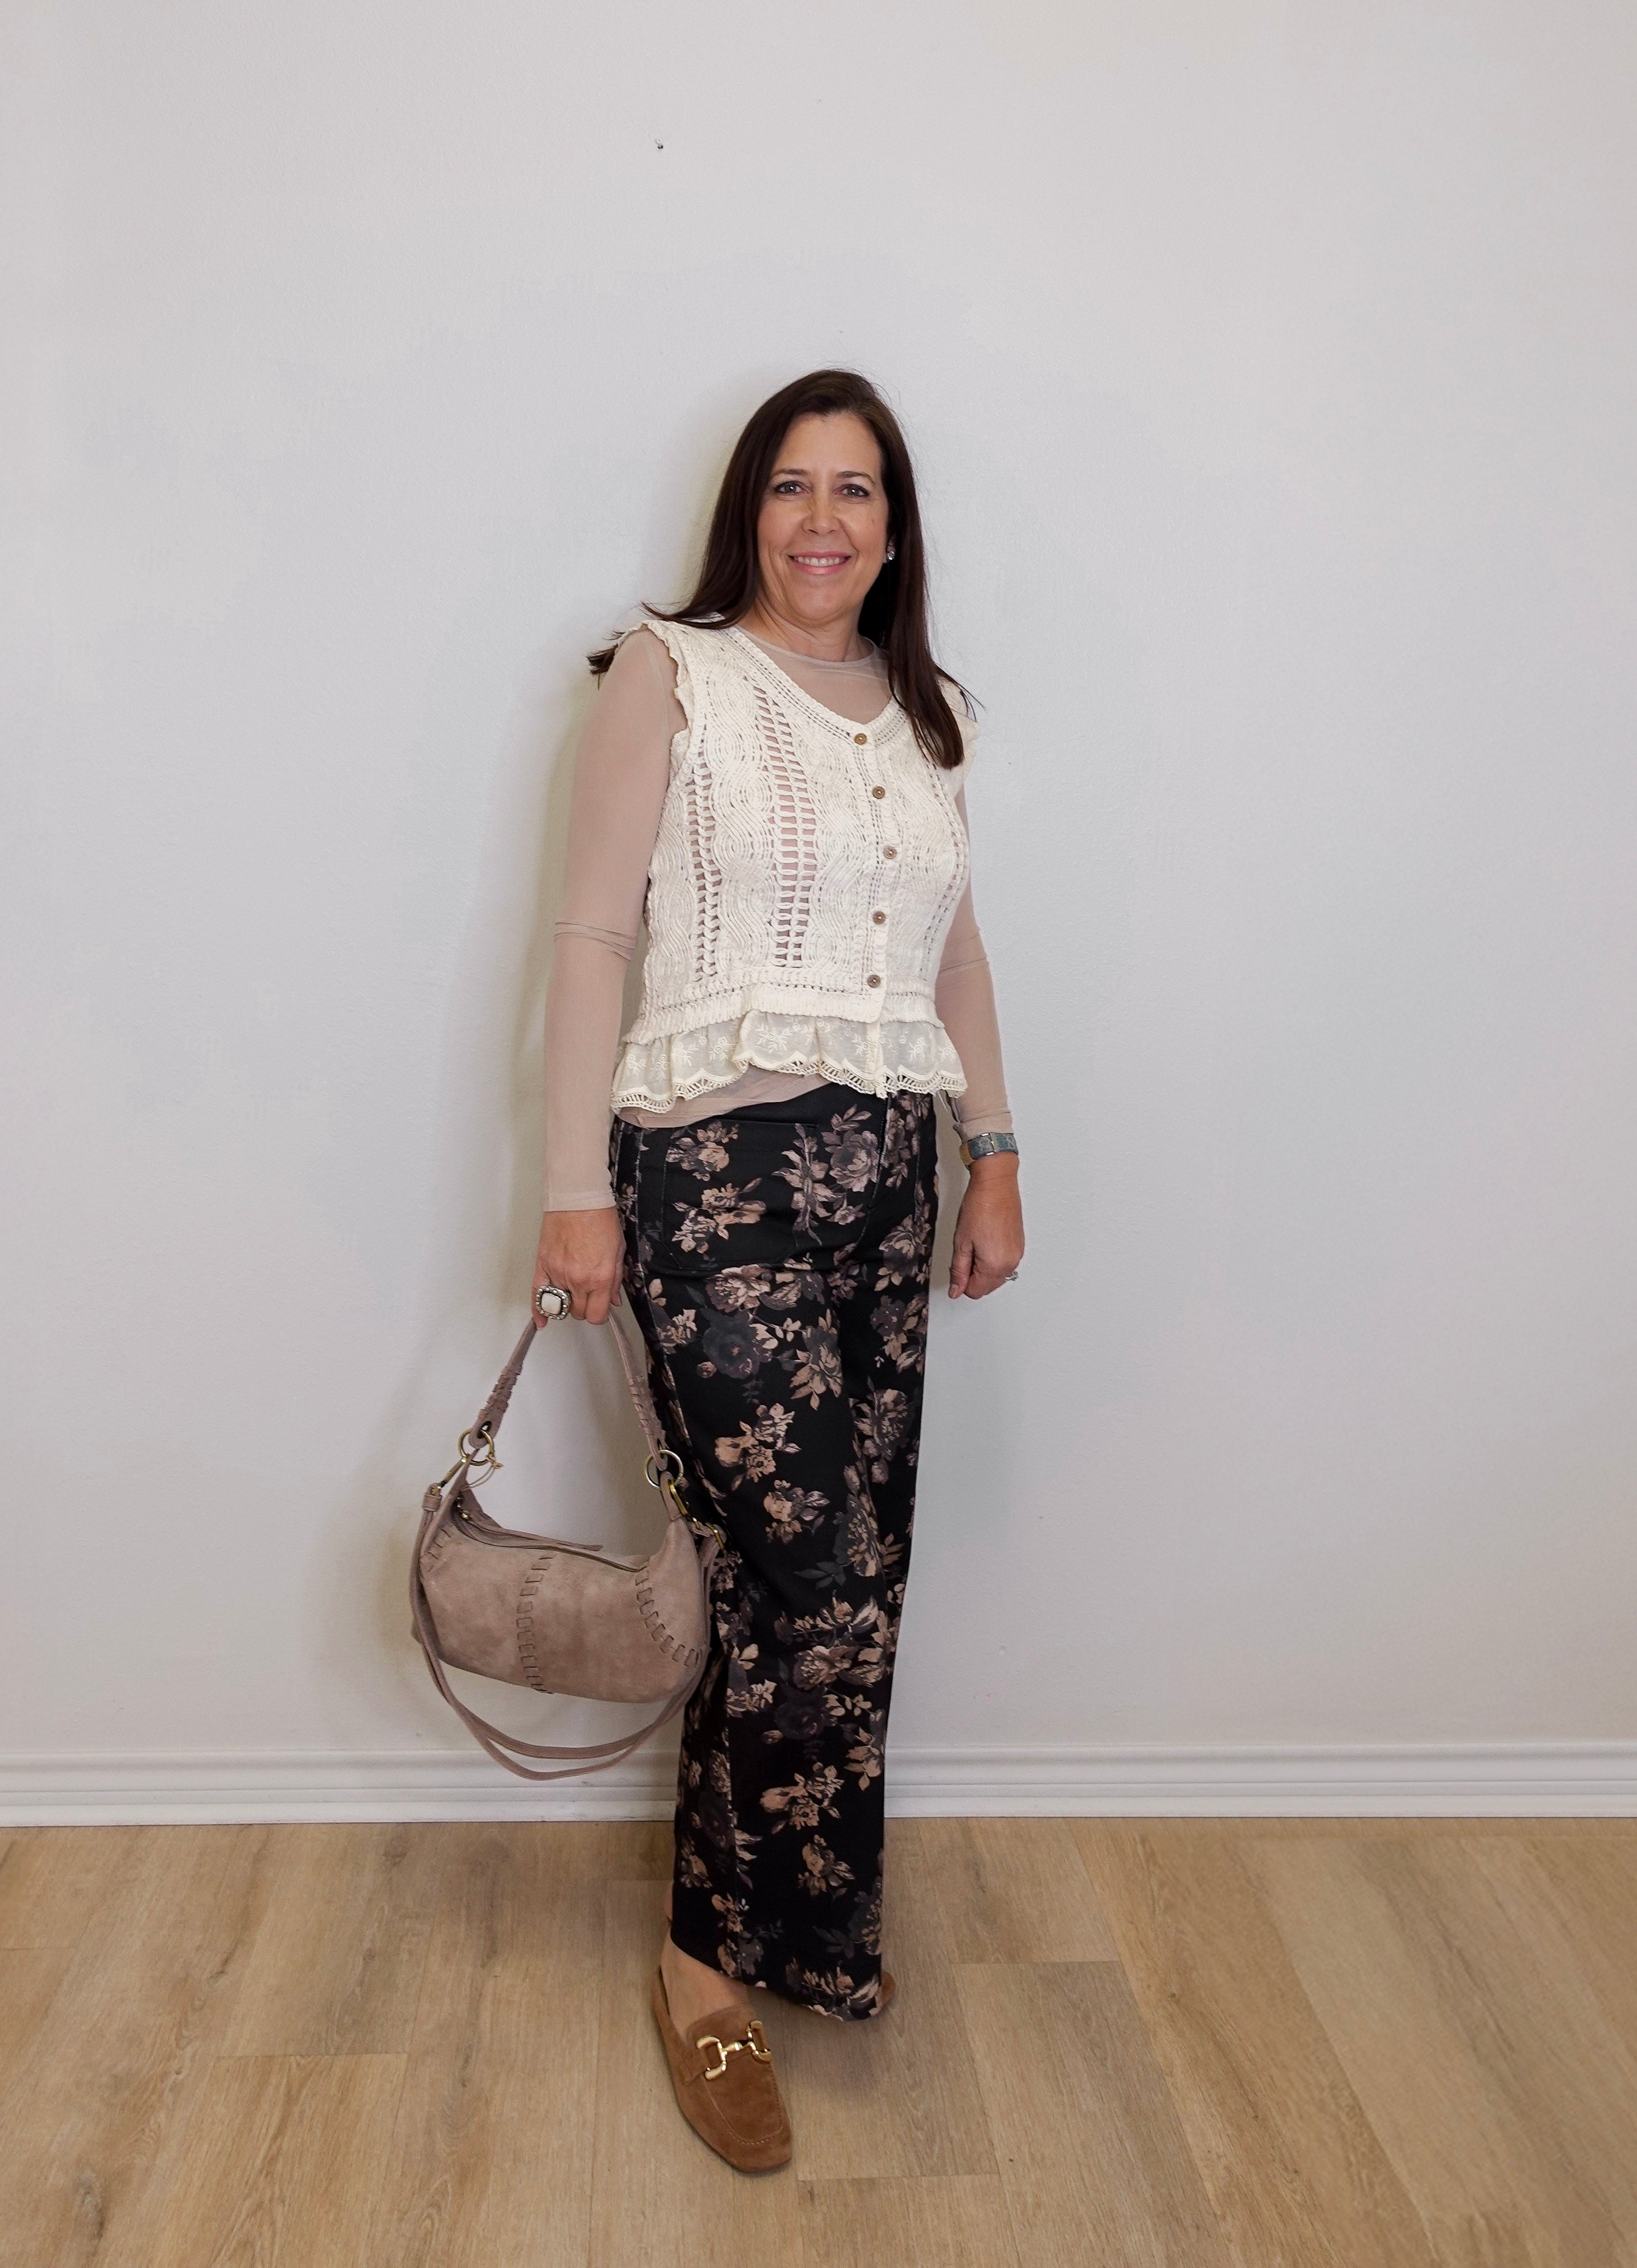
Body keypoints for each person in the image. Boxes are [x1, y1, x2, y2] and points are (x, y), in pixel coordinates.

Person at [532, 368, 1023, 2170]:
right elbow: (591, 931)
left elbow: (955, 950)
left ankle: (803, 1937)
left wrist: (993, 1149)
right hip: (707, 1175)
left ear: (895, 530)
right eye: (792, 488)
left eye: (859, 492)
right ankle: (700, 1963)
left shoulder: (925, 707)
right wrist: (572, 1185)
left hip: (890, 1171)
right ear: (750, 511)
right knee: (794, 1571)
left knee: (847, 1577)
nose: (824, 521)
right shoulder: (670, 673)